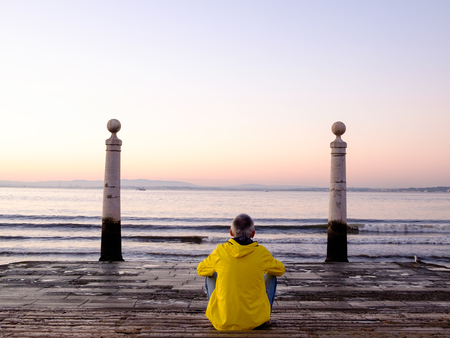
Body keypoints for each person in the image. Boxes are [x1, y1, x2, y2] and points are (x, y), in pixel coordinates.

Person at [197, 213, 285, 331]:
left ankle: (219, 313)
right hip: (255, 322)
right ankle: (264, 318)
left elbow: (200, 269)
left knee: (210, 274)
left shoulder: (220, 251)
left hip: (223, 323)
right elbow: (280, 270)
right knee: (271, 274)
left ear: (231, 233)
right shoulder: (261, 253)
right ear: (253, 234)